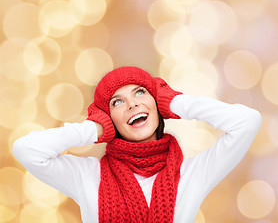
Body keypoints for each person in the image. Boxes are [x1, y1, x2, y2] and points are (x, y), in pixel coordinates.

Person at [13, 66, 262, 223]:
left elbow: (247, 122)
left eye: (140, 92)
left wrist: (176, 103)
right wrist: (93, 129)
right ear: (109, 119)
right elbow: (26, 150)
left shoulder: (191, 174)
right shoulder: (87, 175)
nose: (132, 104)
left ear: (157, 103)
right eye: (117, 102)